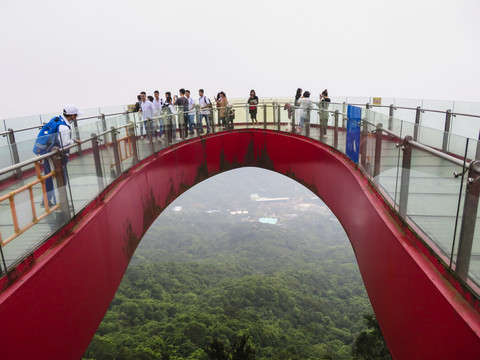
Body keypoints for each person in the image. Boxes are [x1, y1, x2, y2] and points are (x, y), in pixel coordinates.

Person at [40, 105, 82, 208]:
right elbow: (64, 144)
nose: (76, 117)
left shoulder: (57, 120)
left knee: (48, 177)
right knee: (62, 178)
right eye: (75, 115)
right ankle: (64, 203)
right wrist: (74, 141)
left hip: (48, 153)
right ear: (72, 115)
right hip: (58, 156)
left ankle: (46, 201)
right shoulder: (64, 127)